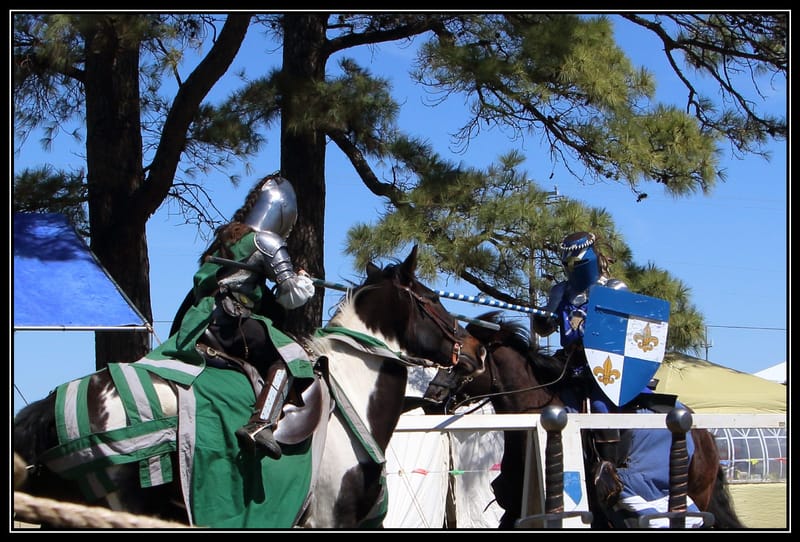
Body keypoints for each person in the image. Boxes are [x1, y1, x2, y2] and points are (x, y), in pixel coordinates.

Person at [158, 173, 316, 460]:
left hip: (201, 321)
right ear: (284, 215)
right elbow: (290, 294)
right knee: (292, 357)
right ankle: (261, 424)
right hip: (233, 322)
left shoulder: (227, 238)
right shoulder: (266, 242)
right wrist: (305, 281)